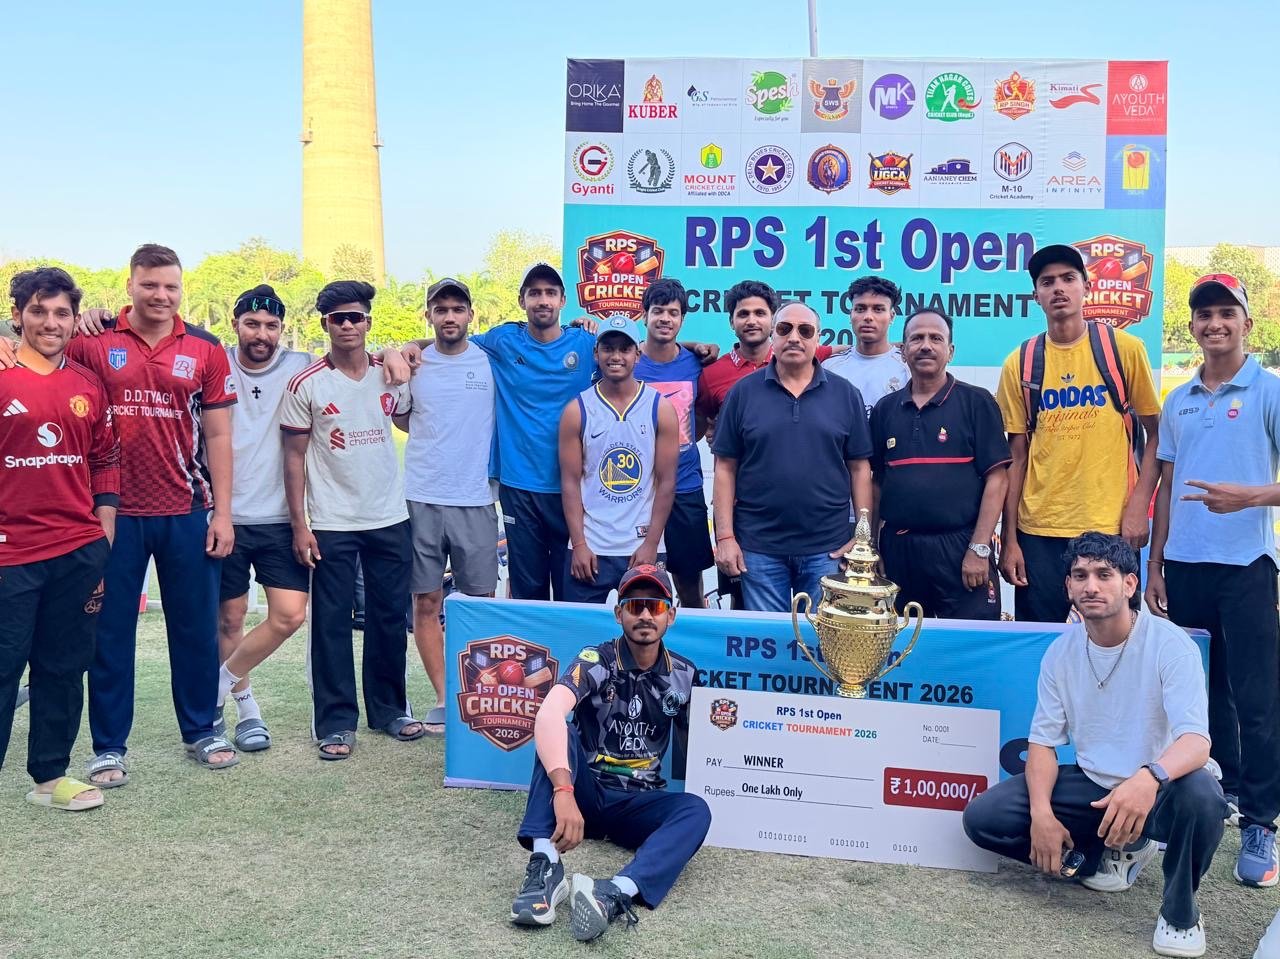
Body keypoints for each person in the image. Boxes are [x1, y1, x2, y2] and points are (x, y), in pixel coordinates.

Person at [963, 533, 1225, 959]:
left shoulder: (1170, 644)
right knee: (984, 818)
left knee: (1203, 796)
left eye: (1105, 575)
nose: (1091, 586)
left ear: (1129, 584)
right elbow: (1042, 744)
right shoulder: (1061, 651)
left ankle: (1180, 914)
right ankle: (1099, 854)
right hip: (1095, 787)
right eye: (1080, 575)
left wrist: (1149, 778)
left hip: (1159, 789)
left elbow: (1196, 742)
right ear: (1068, 586)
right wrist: (1042, 815)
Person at [53, 244, 238, 784]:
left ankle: (202, 730)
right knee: (110, 632)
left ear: (181, 288)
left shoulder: (205, 348)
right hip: (111, 514)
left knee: (195, 630)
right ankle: (109, 746)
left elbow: (219, 435)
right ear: (130, 285)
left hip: (186, 509)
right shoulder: (92, 340)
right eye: (150, 285)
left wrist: (223, 513)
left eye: (170, 286)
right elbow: (39, 352)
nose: (161, 295)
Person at [1145, 272, 1280, 887]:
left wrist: (1247, 496)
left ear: (1247, 323)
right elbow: (1167, 485)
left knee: (1257, 698)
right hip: (1184, 567)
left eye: (1227, 313)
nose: (1215, 324)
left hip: (1247, 565)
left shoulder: (1268, 392)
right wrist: (1155, 563)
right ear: (1192, 326)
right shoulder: (1179, 399)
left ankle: (1261, 820)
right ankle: (1215, 796)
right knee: (1198, 696)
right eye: (1204, 315)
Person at [509, 564, 709, 942]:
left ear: (671, 615)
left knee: (696, 810)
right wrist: (564, 792)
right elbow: (549, 713)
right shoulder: (596, 660)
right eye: (635, 606)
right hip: (586, 790)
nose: (645, 614)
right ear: (619, 614)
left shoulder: (685, 673)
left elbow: (698, 747)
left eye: (655, 606)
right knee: (559, 731)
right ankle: (546, 867)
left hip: (638, 802)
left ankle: (614, 892)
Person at [280, 280, 420, 759]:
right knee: (332, 624)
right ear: (325, 325)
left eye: (355, 317)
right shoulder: (307, 384)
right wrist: (300, 525)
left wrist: (400, 355)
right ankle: (336, 721)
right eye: (337, 318)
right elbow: (293, 457)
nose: (346, 325)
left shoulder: (390, 374)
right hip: (331, 520)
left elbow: (406, 417)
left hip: (389, 514)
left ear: (367, 322)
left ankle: (390, 709)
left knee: (388, 617)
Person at [0, 268, 118, 811]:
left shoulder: (87, 385)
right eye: (39, 311)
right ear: (17, 314)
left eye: (61, 313)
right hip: (11, 555)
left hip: (77, 552)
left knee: (64, 668)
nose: (51, 323)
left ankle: (49, 778)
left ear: (73, 319)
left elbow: (105, 457)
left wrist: (104, 529)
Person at [996, 244, 1161, 622]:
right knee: (1042, 642)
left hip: (1110, 526)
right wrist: (1011, 539)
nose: (1058, 288)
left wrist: (1139, 507)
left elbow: (1157, 435)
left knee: (1113, 640)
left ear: (1086, 287)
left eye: (1068, 279)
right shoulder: (1020, 362)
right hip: (1039, 531)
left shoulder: (1123, 349)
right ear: (1035, 295)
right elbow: (1016, 457)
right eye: (1047, 282)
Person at [711, 301, 872, 613]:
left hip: (828, 550)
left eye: (805, 331)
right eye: (785, 329)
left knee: (819, 639)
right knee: (767, 640)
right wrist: (726, 537)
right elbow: (725, 469)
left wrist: (862, 538)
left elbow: (860, 468)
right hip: (758, 548)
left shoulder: (845, 394)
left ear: (818, 338)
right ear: (773, 335)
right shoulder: (742, 393)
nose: (794, 337)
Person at [695, 280, 837, 607]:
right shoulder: (712, 374)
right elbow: (702, 431)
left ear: (772, 322)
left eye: (760, 313)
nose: (751, 320)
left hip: (815, 531)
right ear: (731, 321)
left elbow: (852, 351)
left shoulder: (803, 352)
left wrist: (899, 346)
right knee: (750, 618)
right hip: (748, 521)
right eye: (743, 314)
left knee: (819, 627)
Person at [398, 278, 498, 735]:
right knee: (426, 600)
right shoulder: (414, 365)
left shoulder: (490, 359)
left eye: (458, 309)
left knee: (479, 604)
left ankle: (477, 692)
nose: (450, 317)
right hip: (422, 496)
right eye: (441, 310)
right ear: (429, 316)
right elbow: (400, 414)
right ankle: (443, 698)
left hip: (475, 498)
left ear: (471, 315)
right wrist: (403, 348)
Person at [870, 309, 1010, 618]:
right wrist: (874, 547)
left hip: (962, 549)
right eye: (916, 338)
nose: (926, 346)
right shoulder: (885, 410)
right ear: (903, 350)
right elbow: (877, 483)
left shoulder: (977, 402)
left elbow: (998, 479)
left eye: (936, 338)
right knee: (903, 643)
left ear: (951, 351)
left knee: (969, 643)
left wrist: (979, 548)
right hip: (900, 550)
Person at [559, 316, 678, 604]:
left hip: (641, 547)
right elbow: (570, 483)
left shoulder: (659, 408)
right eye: (608, 348)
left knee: (647, 626)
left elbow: (666, 483)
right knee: (579, 630)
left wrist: (651, 543)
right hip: (591, 547)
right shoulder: (577, 410)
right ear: (596, 353)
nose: (616, 356)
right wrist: (579, 544)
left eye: (624, 349)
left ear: (637, 354)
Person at [634, 278, 714, 608]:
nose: (665, 319)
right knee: (638, 579)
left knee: (689, 582)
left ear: (682, 319)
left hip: (685, 484)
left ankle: (695, 633)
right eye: (658, 311)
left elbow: (701, 418)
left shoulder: (696, 363)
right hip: (635, 489)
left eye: (673, 312)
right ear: (644, 316)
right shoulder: (628, 359)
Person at [822, 276, 910, 416]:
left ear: (892, 316)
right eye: (860, 309)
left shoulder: (908, 368)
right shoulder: (829, 368)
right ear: (851, 314)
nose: (868, 317)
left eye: (878, 309)